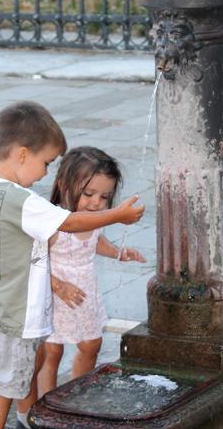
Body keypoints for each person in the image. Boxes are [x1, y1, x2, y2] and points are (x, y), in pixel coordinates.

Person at [0, 102, 145, 429]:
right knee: (13, 379)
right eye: (45, 163)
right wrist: (119, 215)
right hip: (15, 315)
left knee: (26, 368)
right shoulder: (21, 200)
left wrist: (6, 257)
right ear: (22, 154)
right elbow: (74, 223)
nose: (46, 172)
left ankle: (26, 424)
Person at [38, 147, 146, 396]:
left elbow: (95, 241)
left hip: (85, 293)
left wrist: (118, 252)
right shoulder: (54, 221)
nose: (96, 203)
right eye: (88, 194)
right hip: (54, 294)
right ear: (64, 184)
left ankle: (79, 393)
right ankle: (45, 403)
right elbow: (33, 264)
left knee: (91, 344)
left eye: (105, 197)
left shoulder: (95, 220)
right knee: (51, 351)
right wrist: (58, 286)